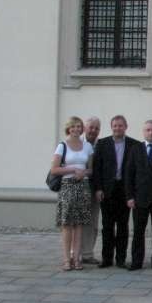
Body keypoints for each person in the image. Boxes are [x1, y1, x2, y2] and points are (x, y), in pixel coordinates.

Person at [92, 115, 137, 268]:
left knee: (123, 226)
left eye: (120, 125)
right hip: (107, 191)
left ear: (126, 127)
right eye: (115, 126)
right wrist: (98, 188)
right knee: (108, 226)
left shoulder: (134, 145)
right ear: (111, 127)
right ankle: (107, 259)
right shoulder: (103, 144)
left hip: (125, 190)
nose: (118, 128)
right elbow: (97, 168)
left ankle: (121, 259)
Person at [51, 116, 94, 271]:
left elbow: (91, 168)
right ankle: (66, 259)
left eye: (79, 126)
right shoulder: (62, 146)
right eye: (73, 126)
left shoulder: (87, 146)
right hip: (67, 186)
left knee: (79, 224)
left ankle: (77, 258)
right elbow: (54, 169)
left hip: (83, 186)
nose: (76, 129)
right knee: (67, 224)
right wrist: (73, 169)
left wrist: (84, 173)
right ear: (68, 128)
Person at [125, 120, 152, 271]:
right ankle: (136, 261)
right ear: (143, 132)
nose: (151, 132)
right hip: (139, 199)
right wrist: (129, 196)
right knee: (138, 232)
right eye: (148, 130)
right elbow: (129, 174)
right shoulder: (135, 149)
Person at [80, 116, 101, 265]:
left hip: (94, 190)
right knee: (76, 222)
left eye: (96, 128)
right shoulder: (75, 143)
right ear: (84, 128)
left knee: (92, 223)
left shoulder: (101, 145)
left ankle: (88, 253)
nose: (93, 130)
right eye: (91, 127)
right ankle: (75, 253)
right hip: (77, 189)